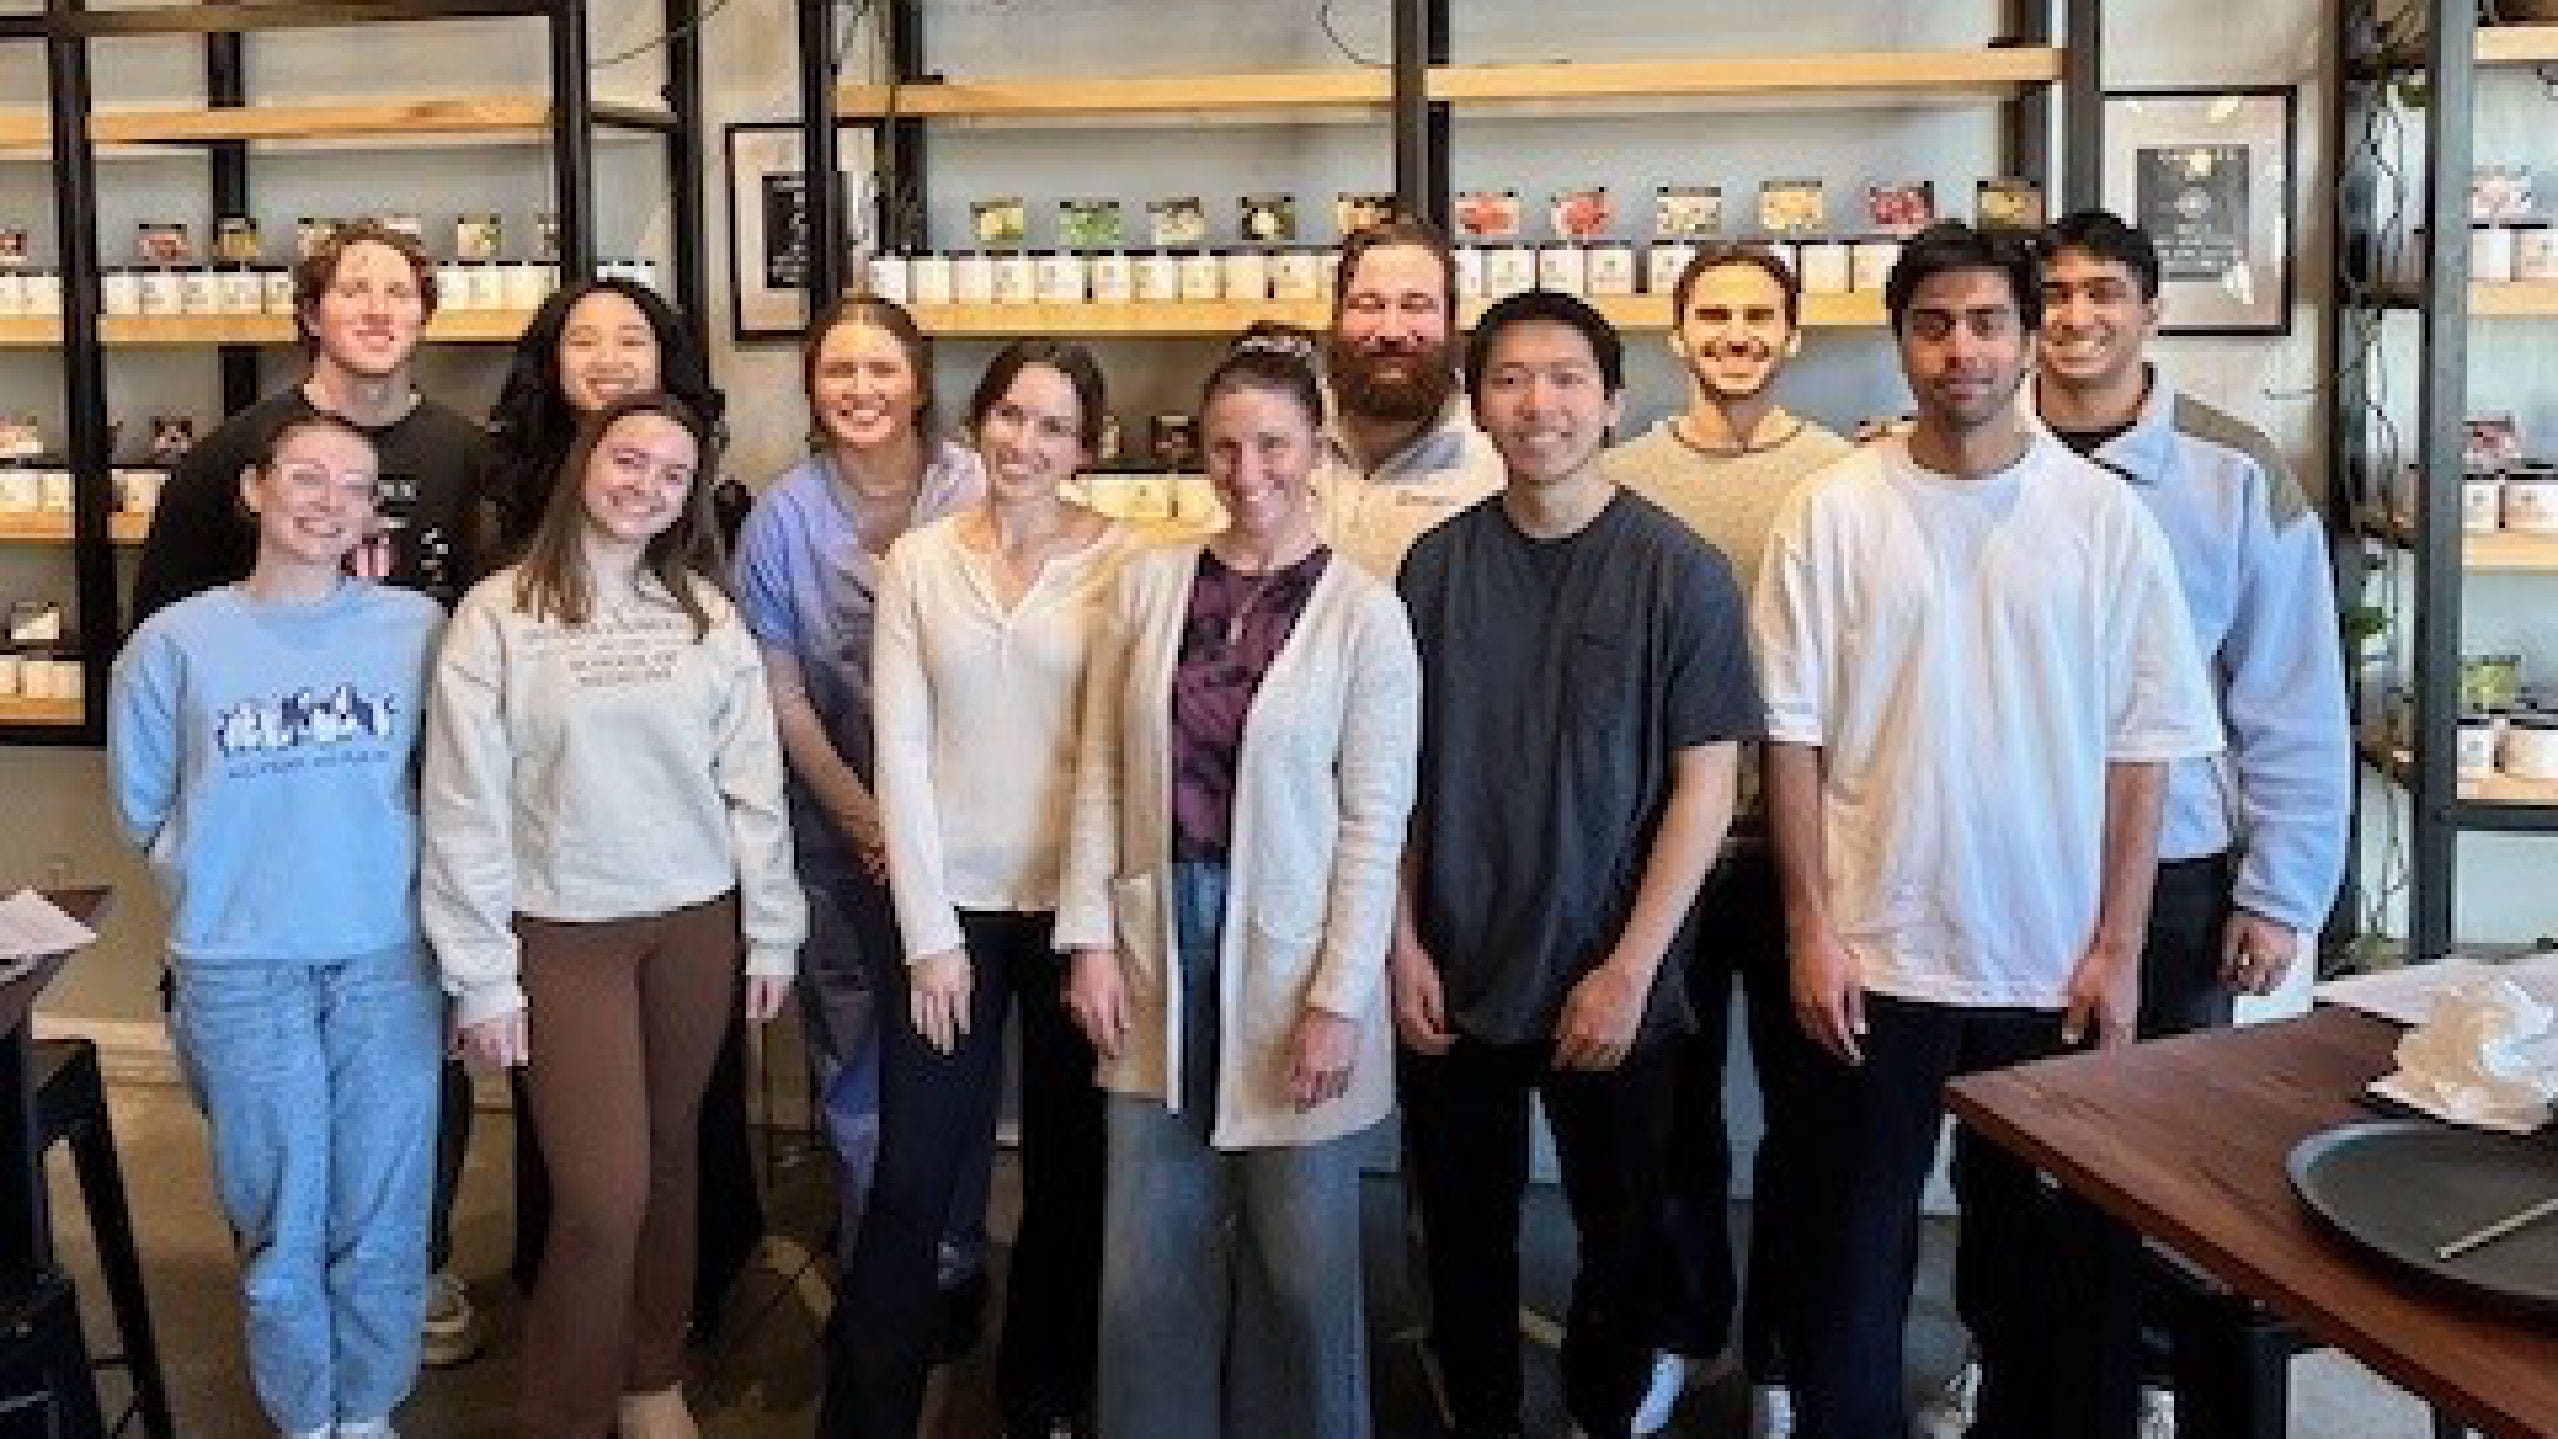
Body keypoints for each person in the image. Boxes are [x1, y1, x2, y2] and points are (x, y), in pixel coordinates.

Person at [1753, 222, 2222, 1439]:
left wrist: (2117, 945)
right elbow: (1789, 736)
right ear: (1897, 340)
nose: (1958, 349)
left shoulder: (2102, 519)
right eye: (1930, 324)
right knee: (1852, 1253)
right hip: (1874, 952)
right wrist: (1808, 926)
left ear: (2024, 340)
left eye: (1984, 322)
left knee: (2050, 1277)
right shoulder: (1829, 510)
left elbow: (2144, 746)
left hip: (2046, 958)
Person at [1394, 290, 1762, 1439]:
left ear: (1610, 402)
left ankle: (1607, 1408)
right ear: (1478, 403)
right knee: (1460, 1231)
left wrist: (1630, 966)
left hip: (1615, 978)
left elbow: (1707, 785)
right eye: (1509, 378)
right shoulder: (1432, 568)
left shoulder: (1676, 569)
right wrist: (1398, 941)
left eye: (1564, 378)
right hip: (1454, 969)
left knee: (1624, 1231)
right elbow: (1388, 775)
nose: (1536, 402)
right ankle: (1483, 1411)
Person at [128, 216, 493, 1369]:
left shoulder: (463, 473)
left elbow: (469, 724)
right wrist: (223, 864)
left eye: (401, 289)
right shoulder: (212, 515)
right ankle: (299, 1354)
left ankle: (401, 1287)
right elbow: (151, 774)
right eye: (356, 288)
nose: (379, 308)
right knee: (278, 1172)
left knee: (396, 1148)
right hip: (247, 933)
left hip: (384, 913)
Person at [1058, 325, 1420, 1439]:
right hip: (1157, 934)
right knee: (1144, 1259)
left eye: (1271, 444)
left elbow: (1373, 822)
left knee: (1301, 1262)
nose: (1247, 472)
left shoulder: (1366, 614)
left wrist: (1335, 997)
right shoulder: (1151, 586)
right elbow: (1103, 766)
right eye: (1223, 448)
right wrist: (1086, 937)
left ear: (1314, 446)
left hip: (1293, 951)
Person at [2026, 207, 2352, 1438]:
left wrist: (2279, 892)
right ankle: (2011, 1365)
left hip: (2172, 874)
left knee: (2153, 1148)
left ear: (2151, 309)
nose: (2075, 316)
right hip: (2014, 871)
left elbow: (2289, 690)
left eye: (2102, 292)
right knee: (2009, 1145)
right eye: (2052, 294)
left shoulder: (2232, 469)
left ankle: (2149, 1376)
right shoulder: (1980, 452)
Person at [421, 392, 803, 1439]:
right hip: (562, 930)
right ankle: (564, 1412)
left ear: (688, 499)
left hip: (693, 920)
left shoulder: (703, 617)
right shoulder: (495, 617)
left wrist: (771, 926)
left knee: (674, 1153)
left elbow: (753, 786)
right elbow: (463, 804)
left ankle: (650, 1375)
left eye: (672, 475)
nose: (646, 485)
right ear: (586, 460)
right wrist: (481, 973)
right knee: (600, 1193)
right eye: (628, 460)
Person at [108, 413, 446, 1439]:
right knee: (281, 1223)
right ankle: (306, 1417)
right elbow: (140, 802)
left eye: (353, 485)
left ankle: (369, 1410)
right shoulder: (174, 642)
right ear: (255, 489)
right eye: (306, 476)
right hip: (240, 968)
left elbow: (457, 782)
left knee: (384, 1214)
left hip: (386, 956)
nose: (327, 500)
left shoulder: (418, 628)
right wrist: (226, 879)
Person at [822, 340, 1128, 1439]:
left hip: (1073, 916)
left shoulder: (1125, 564)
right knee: (910, 1176)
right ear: (976, 424)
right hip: (947, 914)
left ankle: (1042, 1397)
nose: (1025, 443)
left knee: (1067, 1175)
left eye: (1053, 426)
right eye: (1009, 416)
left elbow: (1113, 758)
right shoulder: (918, 558)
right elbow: (896, 749)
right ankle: (866, 1413)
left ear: (1085, 449)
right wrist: (926, 934)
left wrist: (1092, 927)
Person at [479, 275, 766, 1337]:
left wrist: (764, 913)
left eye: (630, 337)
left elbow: (740, 746)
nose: (605, 356)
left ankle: (659, 1345)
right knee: (590, 1168)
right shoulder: (501, 535)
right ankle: (580, 1348)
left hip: (684, 882)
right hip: (554, 890)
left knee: (676, 1133)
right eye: (581, 338)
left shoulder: (699, 538)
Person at [1607, 243, 1857, 1439]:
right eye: (1713, 314)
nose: (1736, 333)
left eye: (1759, 315)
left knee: (1811, 1125)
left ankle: (1781, 1355)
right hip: (1662, 855)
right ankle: (1676, 1328)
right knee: (1671, 1117)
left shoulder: (1847, 477)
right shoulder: (1619, 476)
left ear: (1792, 334)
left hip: (1804, 855)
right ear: (1676, 334)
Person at [733, 295, 993, 1347]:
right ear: (811, 387)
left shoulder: (971, 482)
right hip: (836, 832)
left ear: (919, 378)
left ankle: (954, 1253)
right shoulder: (781, 520)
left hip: (972, 826)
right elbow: (780, 692)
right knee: (852, 1050)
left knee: (955, 1049)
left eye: (880, 368)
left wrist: (926, 831)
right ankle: (875, 1251)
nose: (860, 389)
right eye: (837, 370)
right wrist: (866, 818)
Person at [1316, 217, 1505, 578]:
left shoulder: (1497, 463)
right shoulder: (1283, 442)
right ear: (1336, 318)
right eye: (1368, 305)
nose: (1391, 331)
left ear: (1452, 321)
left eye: (1416, 306)